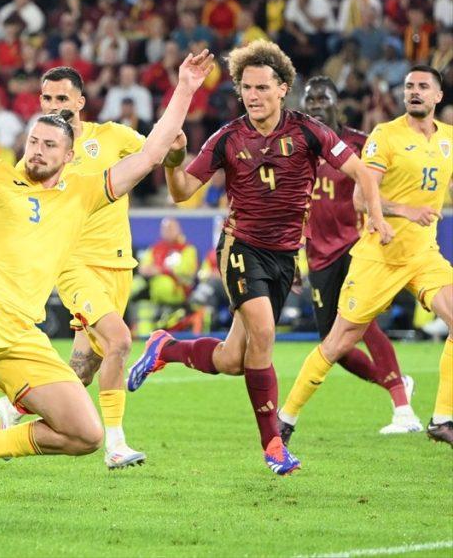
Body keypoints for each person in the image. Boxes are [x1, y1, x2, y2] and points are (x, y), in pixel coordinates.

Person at [0, 51, 214, 502]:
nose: (37, 150)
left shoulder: (84, 192)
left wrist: (185, 86)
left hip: (23, 332)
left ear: (70, 157)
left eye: (50, 146)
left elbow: (152, 153)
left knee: (83, 433)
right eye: (34, 142)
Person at [127, 40, 392, 476]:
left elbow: (360, 171)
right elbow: (180, 194)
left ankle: (165, 348)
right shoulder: (227, 137)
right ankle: (273, 444)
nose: (253, 95)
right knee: (264, 334)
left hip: (285, 256)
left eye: (262, 87)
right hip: (240, 246)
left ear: (283, 88)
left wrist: (377, 218)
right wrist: (174, 160)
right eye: (246, 87)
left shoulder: (308, 130)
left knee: (234, 359)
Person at [0, 65, 156, 469]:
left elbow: (154, 152)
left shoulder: (113, 137)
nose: (54, 106)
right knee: (119, 340)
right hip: (72, 264)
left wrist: (176, 151)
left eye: (62, 99)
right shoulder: (36, 158)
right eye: (47, 99)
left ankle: (10, 411)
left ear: (80, 102)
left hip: (117, 261)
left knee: (85, 367)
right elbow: (3, 213)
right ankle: (116, 443)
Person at [280, 66, 453, 447]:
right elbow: (362, 196)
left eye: (423, 86)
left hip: (424, 255)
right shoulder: (384, 136)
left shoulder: (449, 141)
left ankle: (442, 419)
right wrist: (403, 212)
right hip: (378, 255)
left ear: (438, 96)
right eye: (409, 86)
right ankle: (285, 418)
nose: (414, 91)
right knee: (337, 341)